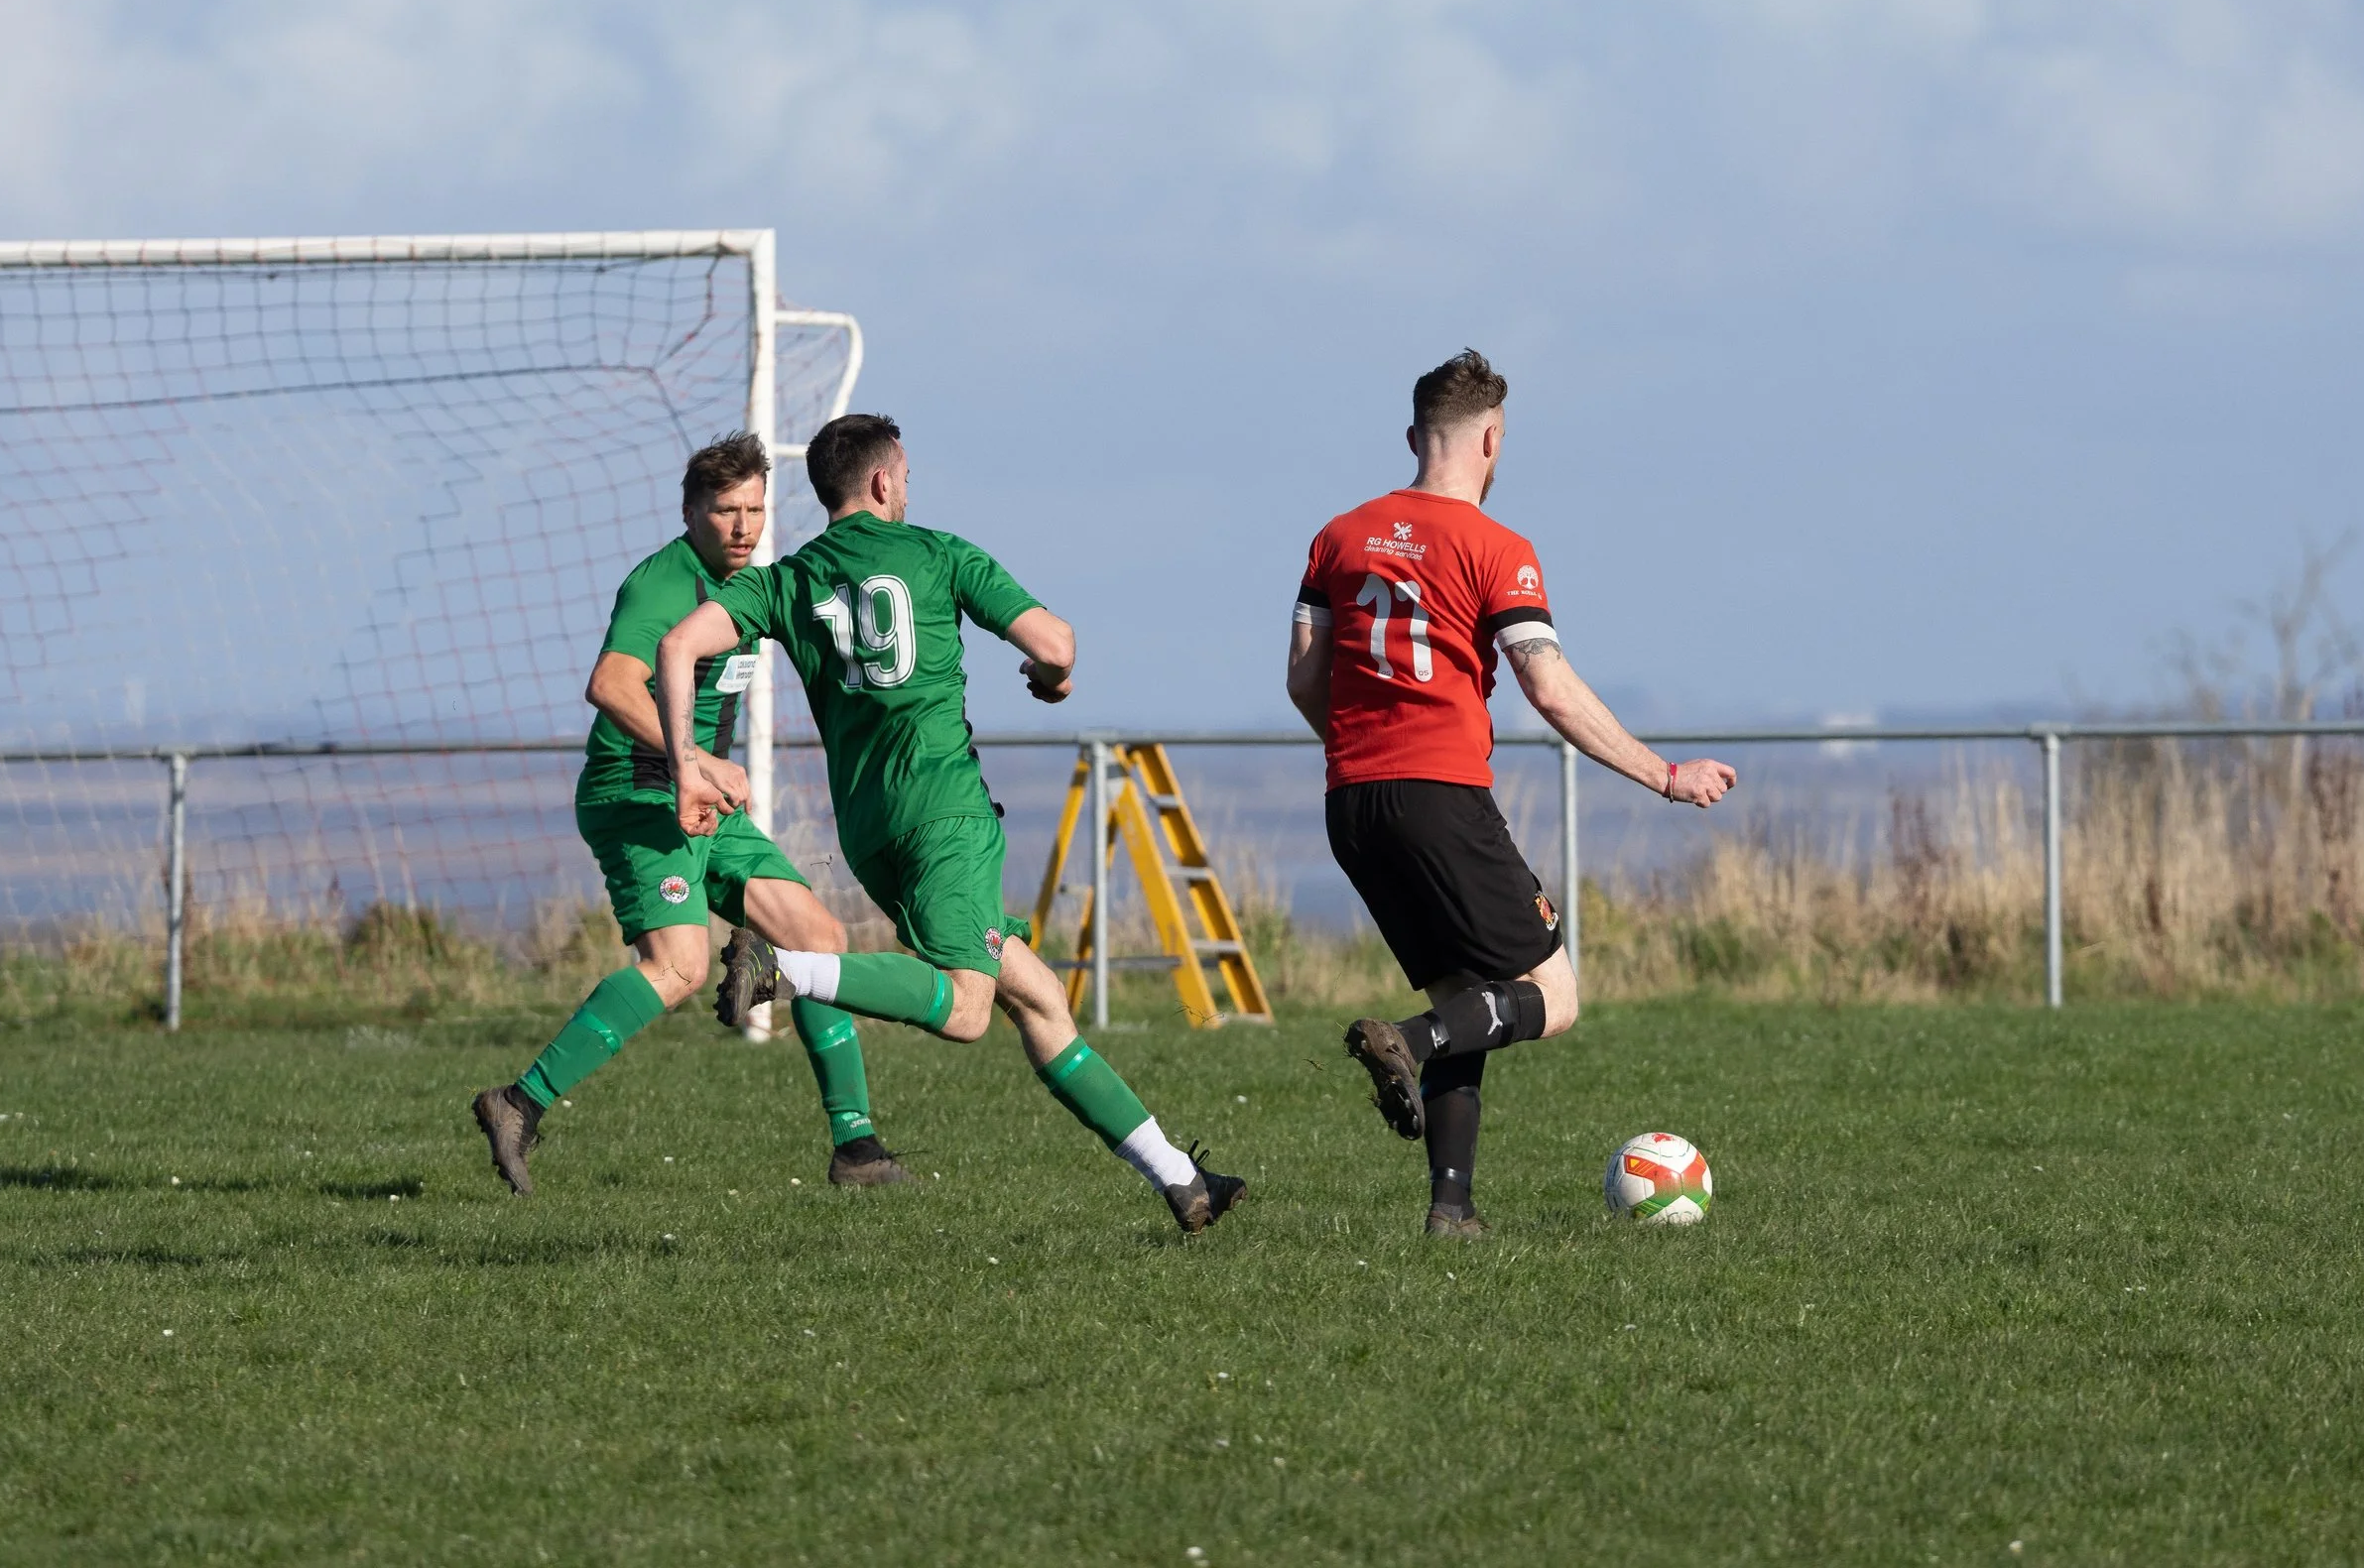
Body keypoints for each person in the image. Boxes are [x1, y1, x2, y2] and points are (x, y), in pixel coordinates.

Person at [651, 414, 1247, 1234]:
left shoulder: (785, 581)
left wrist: (685, 754)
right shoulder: (937, 554)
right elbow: (1058, 642)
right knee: (968, 1011)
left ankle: (1183, 1179)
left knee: (1038, 1000)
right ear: (886, 482)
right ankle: (789, 970)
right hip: (947, 815)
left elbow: (679, 644)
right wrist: (1050, 677)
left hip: (871, 834)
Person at [1287, 350, 1735, 1236]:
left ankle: (1451, 1210)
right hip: (1440, 797)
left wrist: (1362, 751)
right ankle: (1405, 1045)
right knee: (1553, 998)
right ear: (1492, 439)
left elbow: (1305, 680)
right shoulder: (1497, 548)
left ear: (1416, 437)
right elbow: (1551, 687)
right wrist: (1666, 776)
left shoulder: (1338, 536)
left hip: (1352, 804)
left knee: (1468, 996)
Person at [470, 432, 905, 1196]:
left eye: (756, 509)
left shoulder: (754, 582)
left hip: (700, 796)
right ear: (690, 511)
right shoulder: (663, 585)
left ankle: (857, 1150)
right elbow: (609, 683)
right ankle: (518, 1103)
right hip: (636, 794)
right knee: (677, 968)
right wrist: (690, 761)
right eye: (726, 511)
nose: (743, 526)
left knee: (819, 941)